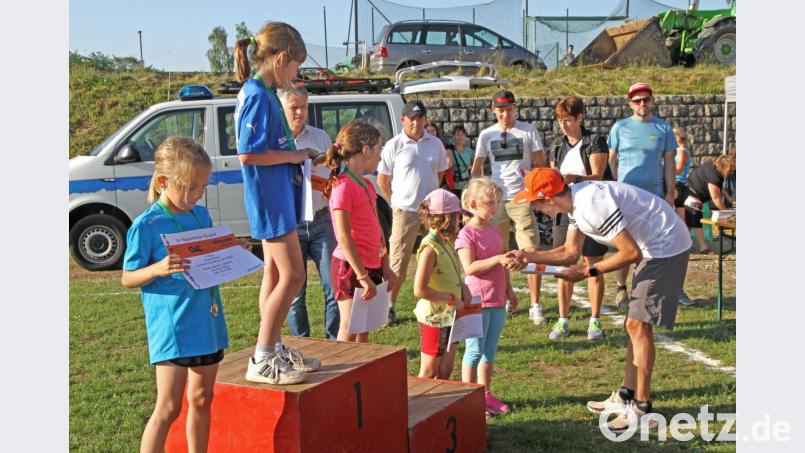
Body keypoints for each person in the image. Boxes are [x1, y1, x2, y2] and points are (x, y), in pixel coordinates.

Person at [510, 168, 691, 432]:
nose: (534, 208)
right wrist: (528, 256)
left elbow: (630, 252)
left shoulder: (591, 205)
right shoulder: (575, 204)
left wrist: (588, 271)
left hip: (666, 246)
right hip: (653, 246)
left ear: (548, 199)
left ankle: (641, 407)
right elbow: (570, 253)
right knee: (634, 325)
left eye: (533, 202)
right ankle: (626, 395)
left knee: (638, 326)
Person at [121, 137, 229, 452]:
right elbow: (128, 277)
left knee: (202, 398)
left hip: (207, 322)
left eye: (202, 186)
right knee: (168, 408)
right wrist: (158, 268)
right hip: (173, 328)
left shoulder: (201, 215)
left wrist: (228, 254)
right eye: (190, 187)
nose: (197, 194)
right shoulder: (146, 225)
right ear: (163, 181)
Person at [234, 22, 319, 385]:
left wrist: (297, 156)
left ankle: (273, 346)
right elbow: (248, 155)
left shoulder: (264, 91)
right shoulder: (256, 93)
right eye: (296, 66)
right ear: (282, 58)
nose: (296, 74)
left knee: (273, 273)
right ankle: (264, 355)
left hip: (277, 193)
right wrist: (293, 155)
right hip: (269, 197)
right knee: (294, 275)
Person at [470, 90, 547, 326]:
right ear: (493, 110)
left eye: (509, 109)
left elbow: (540, 163)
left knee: (531, 250)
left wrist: (535, 191)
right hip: (495, 200)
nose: (505, 114)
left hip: (521, 198)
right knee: (499, 253)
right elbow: (477, 169)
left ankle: (535, 303)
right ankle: (506, 297)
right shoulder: (486, 134)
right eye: (501, 110)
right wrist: (477, 198)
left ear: (515, 109)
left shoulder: (528, 130)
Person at [545, 96, 612, 341]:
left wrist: (573, 179)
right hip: (565, 209)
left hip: (592, 207)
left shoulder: (594, 141)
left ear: (580, 117)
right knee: (564, 263)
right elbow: (553, 177)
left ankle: (594, 320)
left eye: (568, 120)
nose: (563, 125)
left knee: (592, 263)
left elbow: (598, 176)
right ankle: (563, 319)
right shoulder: (556, 145)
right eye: (560, 120)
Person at [326, 120, 400, 342]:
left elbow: (377, 231)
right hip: (350, 267)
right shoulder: (342, 187)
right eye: (378, 150)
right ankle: (343, 376)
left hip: (371, 264)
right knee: (349, 326)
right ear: (365, 150)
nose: (380, 157)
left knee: (364, 327)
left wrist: (385, 265)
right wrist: (362, 276)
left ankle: (361, 376)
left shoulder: (367, 185)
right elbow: (344, 237)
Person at [607, 82, 677, 311]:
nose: (642, 104)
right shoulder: (620, 127)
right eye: (637, 101)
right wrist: (617, 186)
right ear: (630, 104)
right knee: (625, 243)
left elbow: (669, 163)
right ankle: (620, 287)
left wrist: (670, 192)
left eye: (646, 99)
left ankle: (645, 288)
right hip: (626, 196)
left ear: (652, 101)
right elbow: (611, 160)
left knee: (651, 244)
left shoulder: (663, 128)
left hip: (654, 195)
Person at [377, 101, 449, 324]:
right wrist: (395, 202)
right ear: (403, 120)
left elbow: (439, 174)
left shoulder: (435, 143)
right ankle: (388, 307)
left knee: (438, 256)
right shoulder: (393, 145)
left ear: (426, 119)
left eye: (420, 118)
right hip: (404, 210)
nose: (416, 122)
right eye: (412, 118)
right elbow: (383, 180)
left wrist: (429, 199)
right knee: (398, 260)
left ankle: (439, 301)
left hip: (432, 210)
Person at [278, 85, 339, 340]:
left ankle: (334, 341)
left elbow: (333, 172)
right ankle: (302, 345)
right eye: (294, 107)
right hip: (291, 223)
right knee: (295, 292)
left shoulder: (320, 136)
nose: (300, 112)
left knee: (333, 286)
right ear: (283, 107)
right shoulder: (276, 140)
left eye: (304, 107)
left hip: (321, 219)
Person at [455, 177, 519, 420]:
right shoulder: (466, 234)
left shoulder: (494, 231)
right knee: (474, 350)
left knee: (489, 351)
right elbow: (470, 267)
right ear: (473, 203)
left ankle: (485, 392)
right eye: (490, 202)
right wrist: (498, 260)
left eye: (498, 202)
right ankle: (468, 396)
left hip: (496, 301)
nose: (495, 207)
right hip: (476, 302)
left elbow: (502, 264)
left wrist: (509, 291)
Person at [413, 189, 470, 379]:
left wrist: (464, 288)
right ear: (445, 219)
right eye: (457, 217)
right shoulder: (430, 249)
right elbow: (419, 289)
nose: (460, 222)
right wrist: (452, 299)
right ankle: (421, 405)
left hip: (451, 316)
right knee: (430, 370)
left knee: (447, 366)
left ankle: (440, 407)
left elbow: (452, 273)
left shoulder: (447, 242)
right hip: (435, 319)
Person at [684, 154, 737, 250]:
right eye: (730, 170)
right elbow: (716, 198)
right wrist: (728, 214)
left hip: (693, 194)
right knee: (694, 220)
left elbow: (719, 186)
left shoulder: (716, 169)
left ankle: (688, 245)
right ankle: (700, 246)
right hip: (691, 194)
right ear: (724, 167)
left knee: (691, 222)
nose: (731, 173)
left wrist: (728, 198)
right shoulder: (714, 175)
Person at [671, 126, 697, 306]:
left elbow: (678, 170)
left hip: (678, 188)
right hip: (676, 187)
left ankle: (682, 244)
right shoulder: (677, 150)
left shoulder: (681, 151)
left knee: (679, 223)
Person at [426, 120, 455, 191]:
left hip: (444, 182)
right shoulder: (421, 147)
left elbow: (449, 163)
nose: (430, 133)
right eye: (427, 131)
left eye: (432, 130)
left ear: (436, 132)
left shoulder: (444, 145)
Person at [449, 124, 475, 199]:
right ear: (453, 136)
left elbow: (475, 167)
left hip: (466, 186)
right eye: (457, 134)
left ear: (465, 136)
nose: (460, 137)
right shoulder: (449, 151)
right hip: (453, 186)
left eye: (462, 134)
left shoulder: (470, 152)